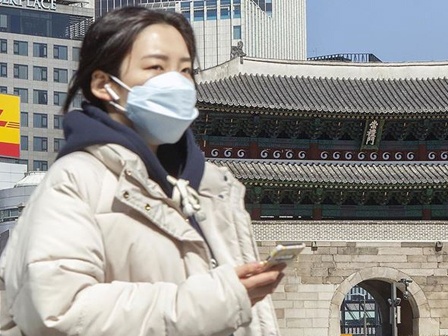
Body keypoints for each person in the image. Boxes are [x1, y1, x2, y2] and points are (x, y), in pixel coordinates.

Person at [0, 7, 284, 336]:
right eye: (156, 67)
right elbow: (58, 312)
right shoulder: (76, 180)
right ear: (104, 85)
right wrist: (216, 300)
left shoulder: (212, 189)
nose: (176, 82)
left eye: (185, 70)